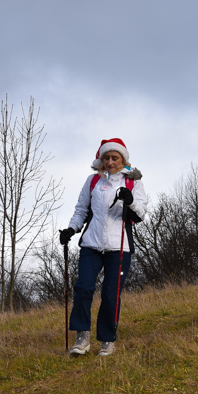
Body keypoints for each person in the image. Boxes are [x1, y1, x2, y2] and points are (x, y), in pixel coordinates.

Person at [59, 138, 147, 357]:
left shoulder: (133, 183)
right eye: (106, 158)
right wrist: (71, 229)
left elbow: (140, 214)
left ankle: (107, 340)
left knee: (110, 294)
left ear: (123, 160)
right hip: (91, 244)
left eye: (114, 158)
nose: (110, 162)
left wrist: (129, 200)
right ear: (100, 159)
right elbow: (81, 209)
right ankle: (82, 338)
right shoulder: (92, 181)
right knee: (83, 288)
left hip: (120, 246)